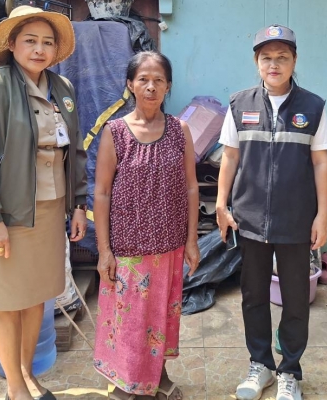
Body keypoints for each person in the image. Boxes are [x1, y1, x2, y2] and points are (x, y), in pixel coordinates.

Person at [0, 5, 88, 400]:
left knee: (37, 297)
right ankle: (15, 387)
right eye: (30, 40)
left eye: (47, 42)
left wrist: (78, 205)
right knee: (6, 300)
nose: (39, 49)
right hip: (7, 212)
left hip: (50, 210)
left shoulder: (62, 88)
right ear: (12, 44)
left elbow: (75, 151)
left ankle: (29, 375)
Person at [216, 25, 327, 400]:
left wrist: (322, 215)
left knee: (296, 299)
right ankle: (261, 365)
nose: (274, 64)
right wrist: (221, 204)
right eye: (266, 57)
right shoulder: (239, 104)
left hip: (297, 221)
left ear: (294, 61)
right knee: (253, 296)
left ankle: (290, 371)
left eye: (282, 57)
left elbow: (321, 163)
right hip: (249, 220)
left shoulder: (313, 107)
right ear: (257, 62)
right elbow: (230, 157)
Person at [93, 51, 200, 400]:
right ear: (130, 84)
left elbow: (191, 187)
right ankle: (126, 381)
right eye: (143, 79)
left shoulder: (179, 130)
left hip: (169, 244)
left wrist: (192, 241)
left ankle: (159, 374)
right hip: (128, 247)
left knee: (162, 315)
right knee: (129, 319)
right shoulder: (116, 132)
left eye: (158, 80)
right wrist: (104, 251)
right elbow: (102, 192)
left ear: (168, 86)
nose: (151, 87)